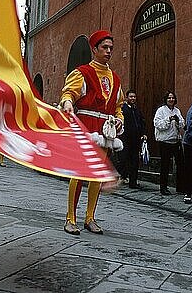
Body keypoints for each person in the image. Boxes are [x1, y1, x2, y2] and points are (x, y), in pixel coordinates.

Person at [60, 29, 124, 235]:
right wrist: (68, 102)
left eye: (111, 48)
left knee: (97, 175)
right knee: (79, 173)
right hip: (86, 127)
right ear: (94, 49)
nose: (108, 51)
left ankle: (90, 217)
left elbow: (118, 107)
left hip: (106, 131)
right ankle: (70, 218)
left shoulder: (115, 78)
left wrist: (120, 121)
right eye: (104, 47)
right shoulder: (82, 72)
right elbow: (68, 93)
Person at [153, 91, 185, 195]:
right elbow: (158, 124)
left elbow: (182, 124)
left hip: (176, 140)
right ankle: (163, 188)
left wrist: (177, 121)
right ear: (165, 100)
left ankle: (180, 187)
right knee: (165, 165)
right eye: (169, 98)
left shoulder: (177, 110)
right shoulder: (161, 110)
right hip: (165, 141)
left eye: (172, 98)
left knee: (180, 164)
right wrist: (168, 120)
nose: (171, 100)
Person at [118, 90, 146, 188]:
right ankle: (123, 176)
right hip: (125, 138)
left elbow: (141, 122)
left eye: (134, 97)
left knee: (135, 160)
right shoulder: (124, 109)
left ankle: (133, 182)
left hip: (136, 139)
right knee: (124, 158)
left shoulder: (136, 109)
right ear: (127, 98)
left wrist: (143, 133)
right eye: (131, 97)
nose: (133, 98)